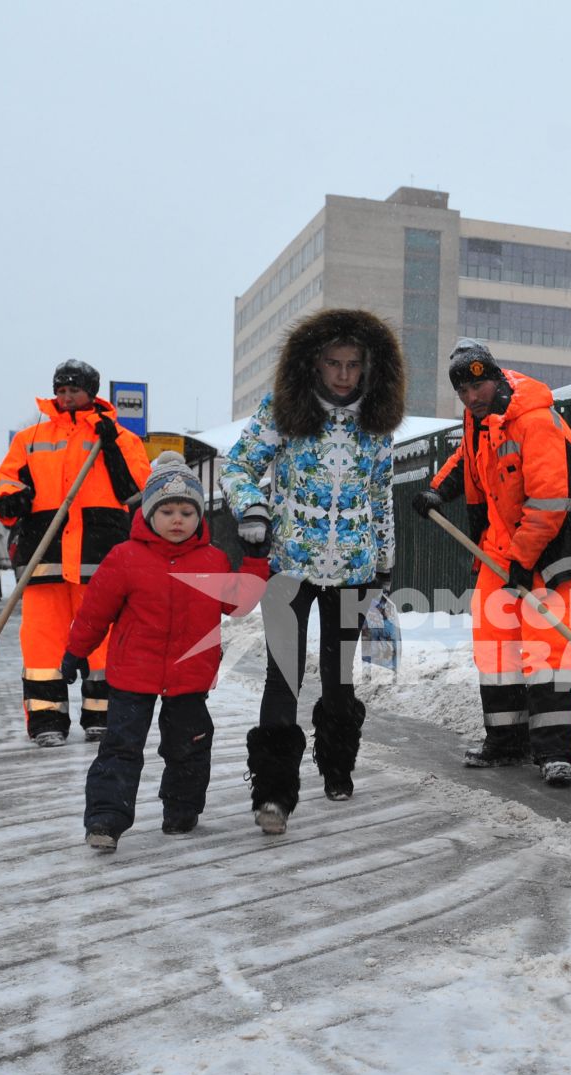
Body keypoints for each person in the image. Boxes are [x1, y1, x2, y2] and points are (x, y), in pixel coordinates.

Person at [223, 309, 402, 835]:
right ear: (314, 364)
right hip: (289, 570)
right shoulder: (284, 411)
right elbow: (238, 466)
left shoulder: (376, 421)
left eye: (353, 364)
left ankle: (338, 768)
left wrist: (386, 561)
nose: (344, 375)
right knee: (283, 677)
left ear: (370, 367)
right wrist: (252, 508)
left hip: (354, 570)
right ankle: (275, 793)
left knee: (339, 679)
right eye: (333, 363)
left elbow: (380, 495)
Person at [410, 340, 571, 789]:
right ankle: (507, 741)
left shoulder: (534, 422)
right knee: (496, 648)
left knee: (545, 650)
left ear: (497, 379)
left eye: (478, 386)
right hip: (500, 544)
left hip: (549, 545)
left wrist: (523, 561)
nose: (471, 397)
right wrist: (438, 489)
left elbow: (551, 502)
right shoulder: (480, 419)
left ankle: (556, 753)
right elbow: (470, 460)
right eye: (463, 391)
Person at [61, 452, 265, 854]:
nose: (177, 519)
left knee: (189, 745)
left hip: (189, 676)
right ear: (150, 514)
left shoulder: (214, 559)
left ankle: (182, 808)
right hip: (133, 675)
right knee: (121, 747)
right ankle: (106, 818)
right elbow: (94, 612)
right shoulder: (125, 558)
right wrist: (75, 652)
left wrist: (256, 561)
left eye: (187, 511)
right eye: (167, 510)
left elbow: (239, 603)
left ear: (199, 517)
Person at [0, 360, 151, 747]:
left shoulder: (121, 438)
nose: (65, 396)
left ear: (91, 392)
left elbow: (139, 489)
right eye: (60, 389)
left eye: (74, 389)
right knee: (42, 642)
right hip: (44, 554)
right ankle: (47, 720)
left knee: (104, 640)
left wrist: (109, 447)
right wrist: (10, 499)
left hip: (101, 557)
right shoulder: (29, 438)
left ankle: (104, 715)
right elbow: (7, 478)